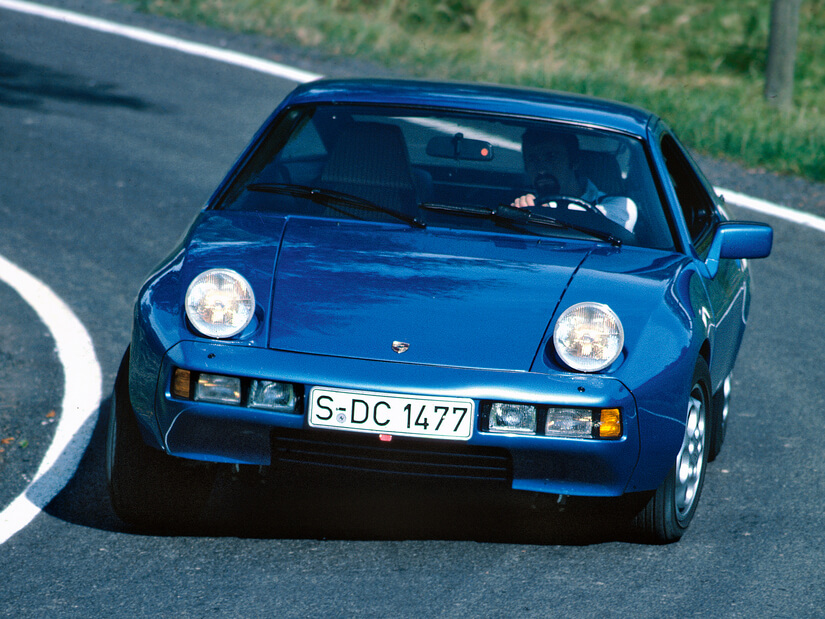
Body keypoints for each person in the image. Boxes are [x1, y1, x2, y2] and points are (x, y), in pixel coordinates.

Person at [512, 129, 637, 233]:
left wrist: (539, 212)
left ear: (574, 161)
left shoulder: (619, 205)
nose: (541, 169)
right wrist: (518, 213)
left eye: (551, 157)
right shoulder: (523, 204)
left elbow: (608, 229)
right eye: (532, 160)